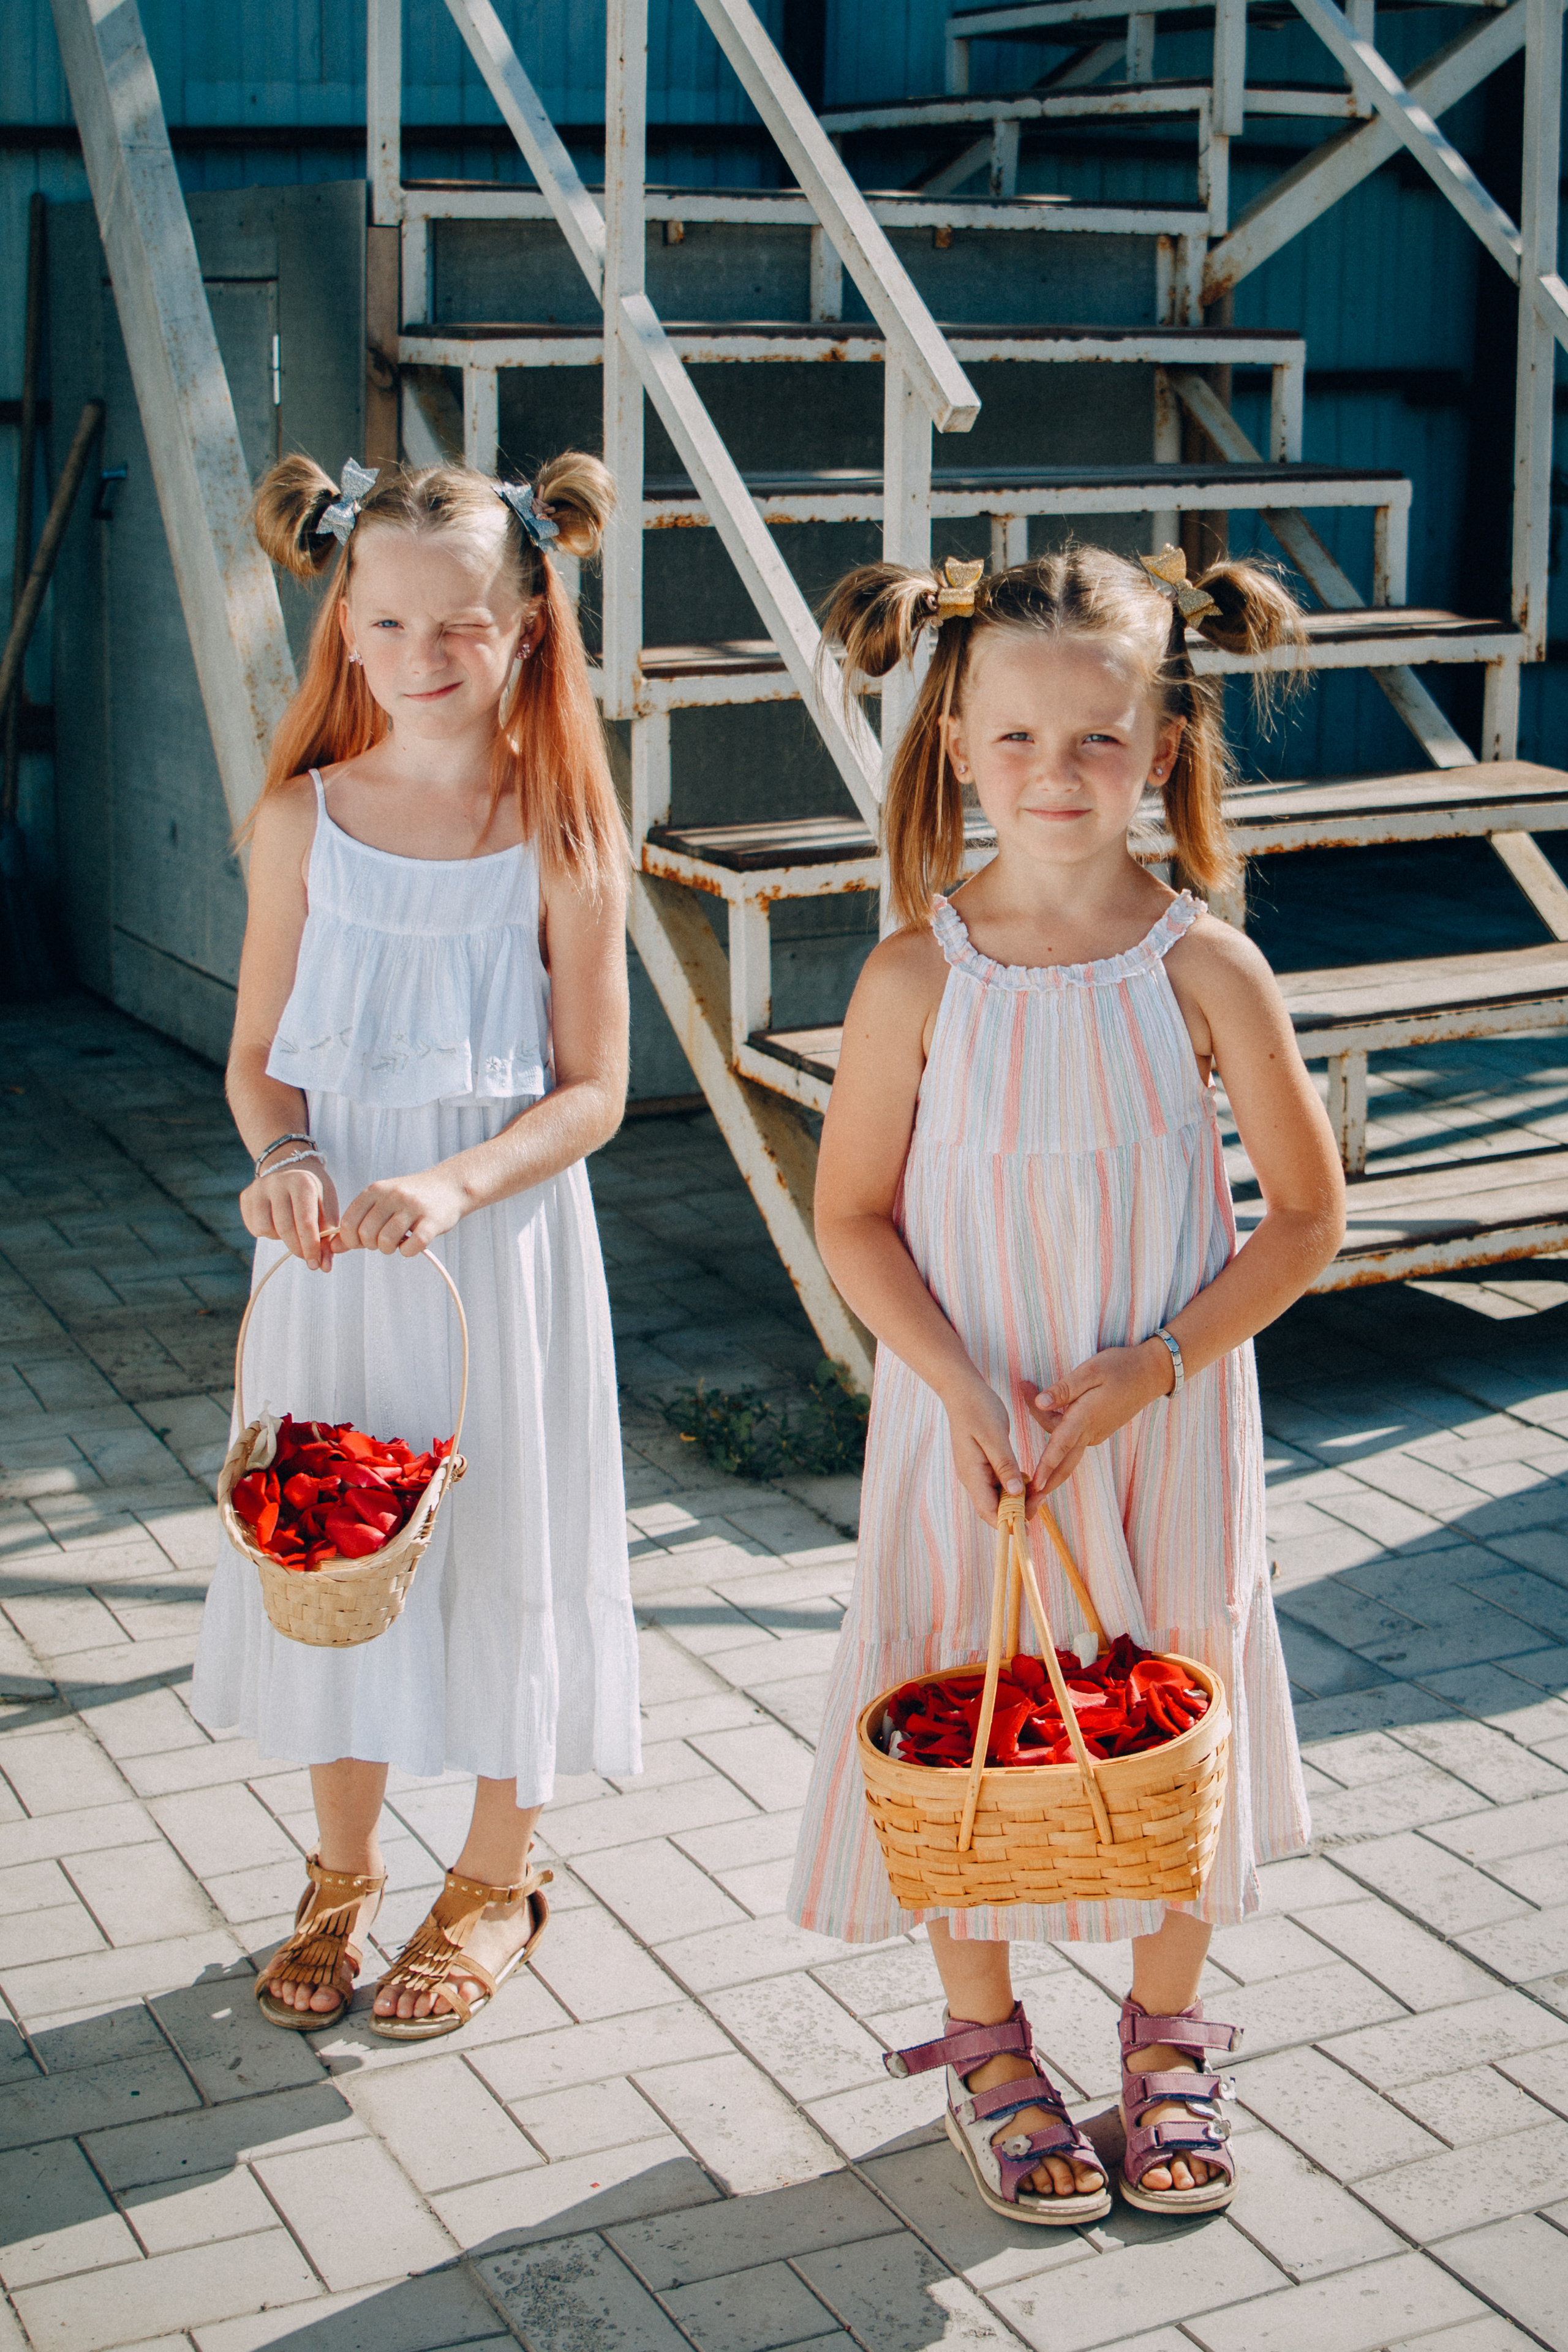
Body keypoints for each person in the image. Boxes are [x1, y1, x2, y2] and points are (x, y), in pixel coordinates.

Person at [788, 545, 1346, 2220]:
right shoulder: (913, 976)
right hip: (967, 1433)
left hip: (1161, 1423)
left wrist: (1156, 1366)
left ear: (1163, 748)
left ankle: (1166, 2039)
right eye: (1016, 742)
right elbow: (855, 1218)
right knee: (954, 1691)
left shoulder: (1205, 968)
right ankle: (989, 2042)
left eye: (1097, 741)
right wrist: (963, 1390)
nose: (1055, 776)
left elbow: (1309, 1217)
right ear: (956, 742)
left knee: (1179, 1688)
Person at [192, 451, 639, 2041]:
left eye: (464, 620)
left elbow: (596, 1089)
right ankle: (339, 1870)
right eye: (390, 622)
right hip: (329, 1260)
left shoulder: (562, 828)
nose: (427, 654)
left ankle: (497, 1875)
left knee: (502, 1541)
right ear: (347, 631)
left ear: (529, 621)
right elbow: (260, 1063)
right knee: (338, 1557)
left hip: (491, 1260)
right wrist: (286, 1159)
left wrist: (455, 1185)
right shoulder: (302, 818)